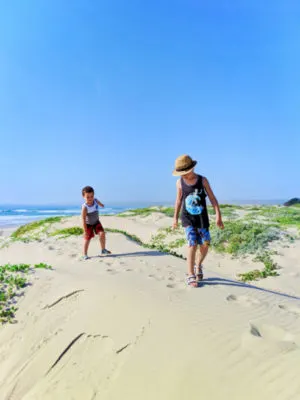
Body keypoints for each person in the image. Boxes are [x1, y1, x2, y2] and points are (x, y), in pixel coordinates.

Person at [172, 155, 224, 287]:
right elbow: (178, 201)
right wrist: (175, 219)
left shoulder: (202, 180)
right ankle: (190, 274)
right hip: (187, 218)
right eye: (181, 173)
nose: (183, 175)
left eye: (185, 172)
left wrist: (218, 215)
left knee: (205, 244)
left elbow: (212, 198)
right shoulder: (179, 183)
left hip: (202, 219)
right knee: (192, 244)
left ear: (192, 168)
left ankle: (198, 265)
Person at [81, 186, 111, 259]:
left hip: (96, 222)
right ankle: (84, 254)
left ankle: (103, 249)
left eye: (91, 196)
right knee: (87, 239)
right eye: (87, 197)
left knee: (102, 233)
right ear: (83, 197)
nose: (90, 198)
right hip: (88, 225)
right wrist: (85, 230)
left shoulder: (95, 200)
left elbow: (99, 203)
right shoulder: (85, 207)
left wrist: (101, 205)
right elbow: (83, 219)